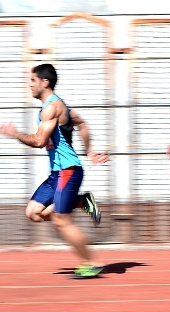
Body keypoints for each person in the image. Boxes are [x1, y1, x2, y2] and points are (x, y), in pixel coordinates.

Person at [0, 63, 109, 278]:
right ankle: (81, 201)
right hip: (57, 173)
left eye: (32, 81)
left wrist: (15, 134)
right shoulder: (57, 107)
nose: (30, 85)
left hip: (68, 170)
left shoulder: (52, 107)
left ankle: (92, 263)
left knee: (61, 220)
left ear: (44, 82)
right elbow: (82, 123)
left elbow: (40, 141)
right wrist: (89, 151)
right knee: (33, 212)